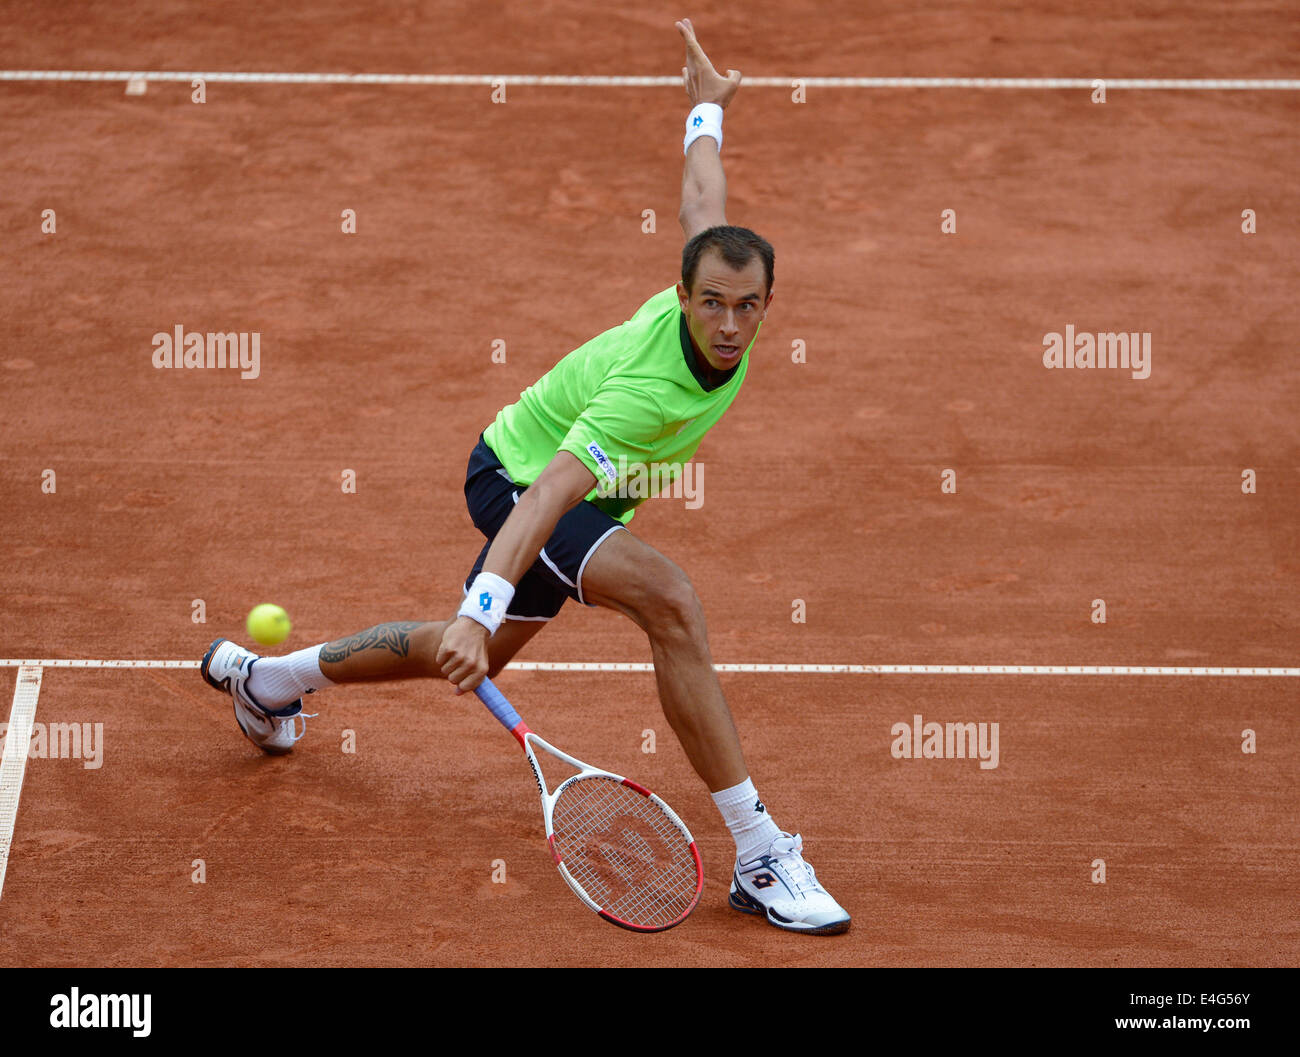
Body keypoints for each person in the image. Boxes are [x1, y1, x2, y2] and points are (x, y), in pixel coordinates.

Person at [201, 18, 849, 935]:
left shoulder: (720, 280)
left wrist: (704, 111)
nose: (731, 325)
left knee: (461, 655)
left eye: (748, 306)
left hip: (564, 493)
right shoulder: (645, 388)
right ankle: (759, 850)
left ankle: (270, 681)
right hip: (516, 478)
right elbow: (548, 494)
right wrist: (484, 602)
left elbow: (705, 206)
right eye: (712, 304)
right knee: (670, 601)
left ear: (767, 300)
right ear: (682, 298)